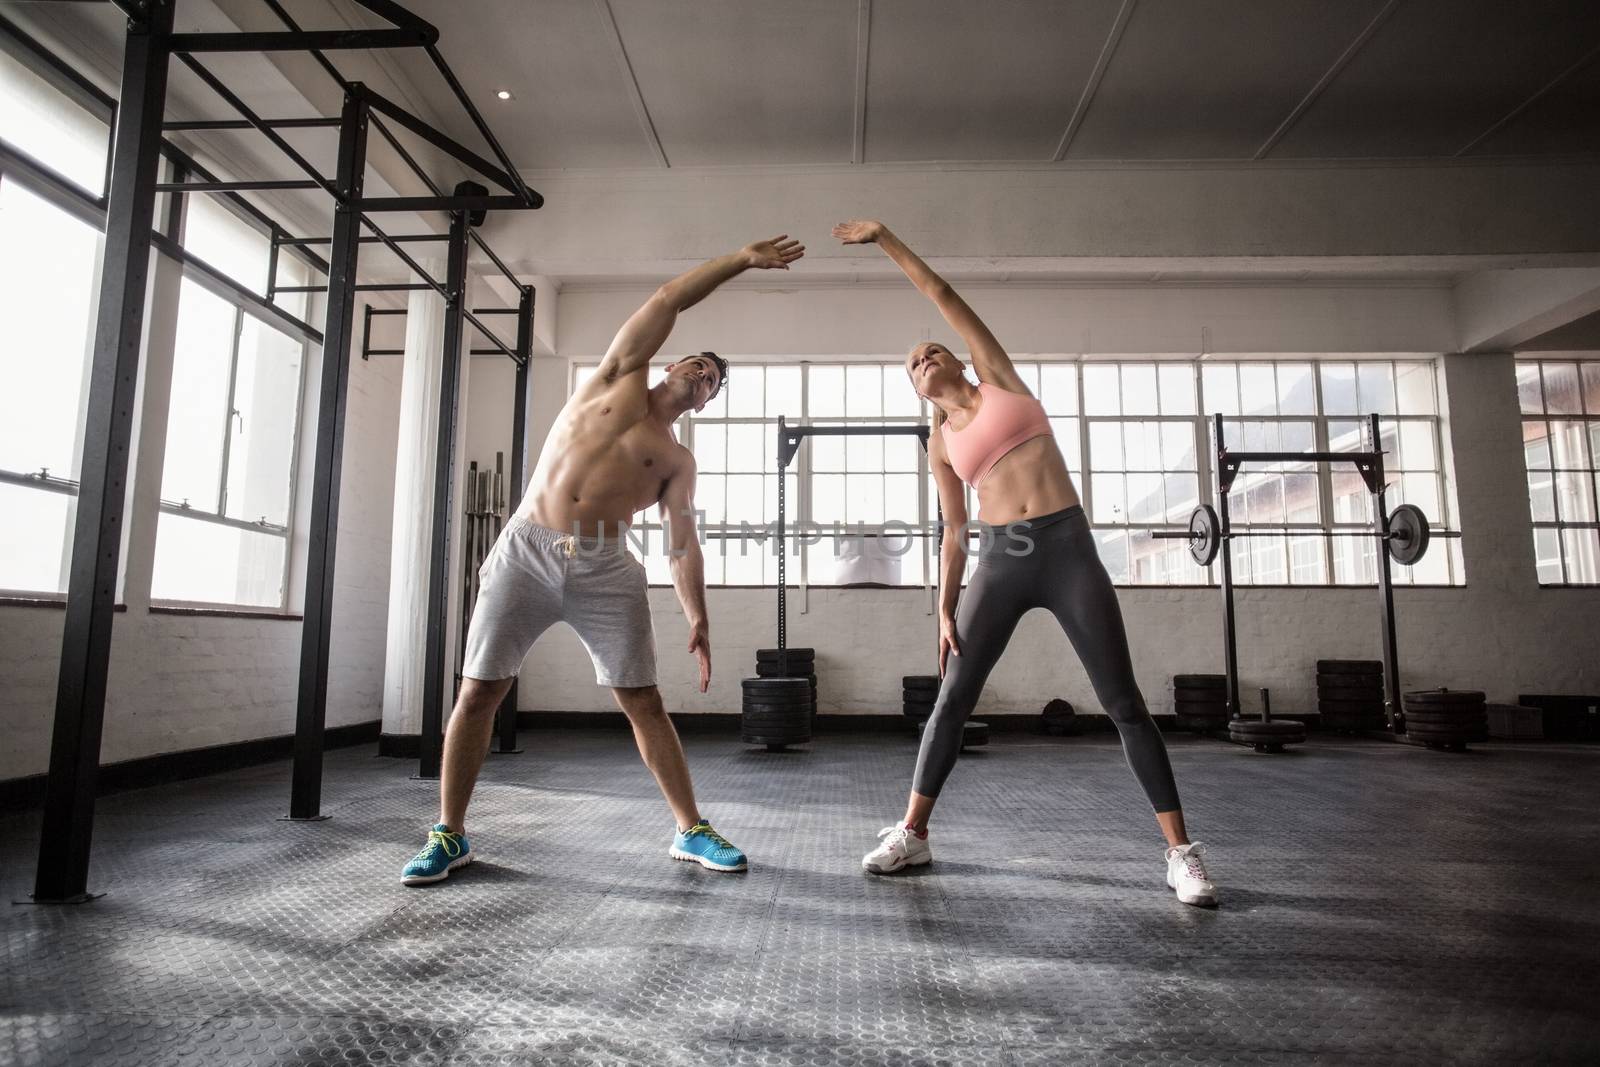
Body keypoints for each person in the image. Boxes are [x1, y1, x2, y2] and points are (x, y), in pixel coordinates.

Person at [401, 234, 806, 885]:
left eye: (712, 382)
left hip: (605, 567)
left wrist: (696, 616)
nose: (701, 377)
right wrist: (739, 261)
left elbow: (681, 542)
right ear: (672, 363)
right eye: (698, 365)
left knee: (643, 700)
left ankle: (691, 829)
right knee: (480, 689)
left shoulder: (676, 460)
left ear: (704, 403)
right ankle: (449, 834)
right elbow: (669, 297)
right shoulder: (614, 379)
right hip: (528, 547)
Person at [834, 220, 1216, 907]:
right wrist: (944, 605)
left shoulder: (1001, 381)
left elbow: (942, 292)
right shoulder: (941, 444)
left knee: (1123, 700)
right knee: (952, 694)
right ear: (916, 388)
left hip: (1067, 547)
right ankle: (914, 831)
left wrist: (886, 238)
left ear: (955, 357)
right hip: (1000, 558)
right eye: (911, 364)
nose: (921, 361)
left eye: (929, 350)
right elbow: (954, 529)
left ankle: (1181, 853)